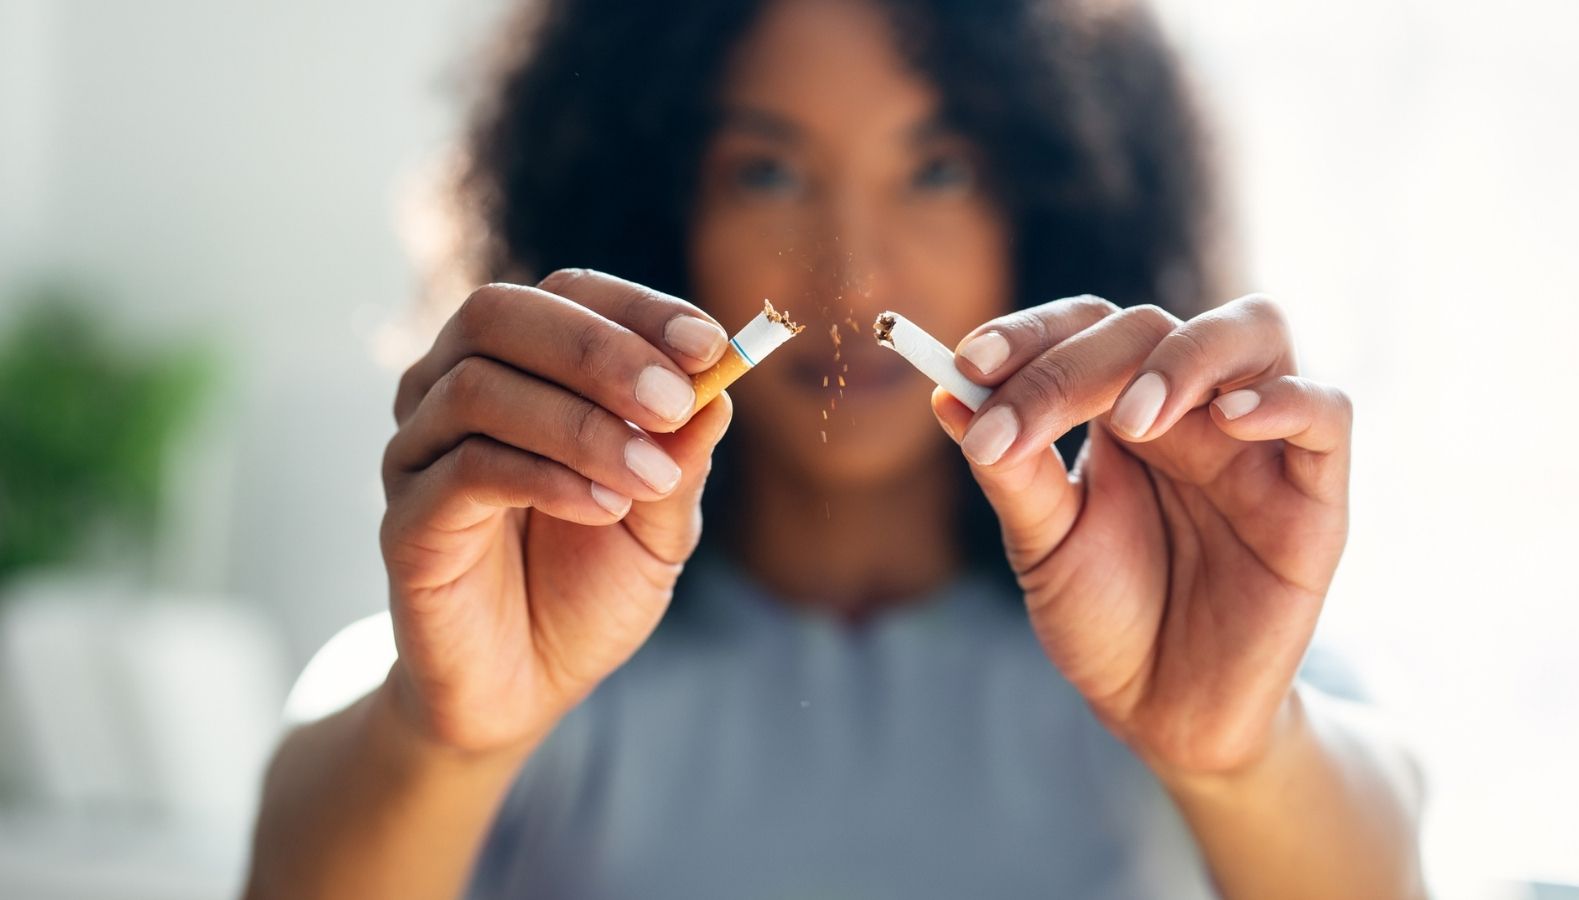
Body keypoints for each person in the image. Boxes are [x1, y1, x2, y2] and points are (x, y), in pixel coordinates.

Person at [246, 0, 1425, 896]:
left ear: (1052, 206)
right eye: (765, 170)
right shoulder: (501, 642)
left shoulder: (1190, 634)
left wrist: (1236, 754)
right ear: (658, 212)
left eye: (939, 169)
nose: (852, 277)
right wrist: (443, 738)